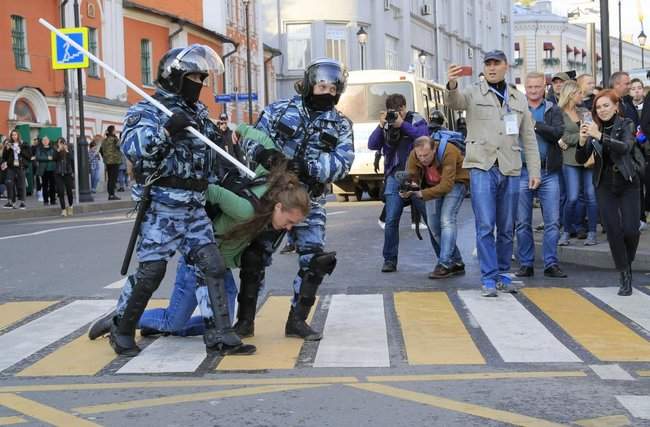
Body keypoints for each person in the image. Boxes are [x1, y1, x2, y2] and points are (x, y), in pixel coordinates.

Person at [89, 124, 309, 341]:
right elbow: (213, 191)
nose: (289, 228)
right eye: (290, 221)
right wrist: (189, 205)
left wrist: (244, 133)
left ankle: (162, 327)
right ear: (279, 206)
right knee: (173, 321)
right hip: (197, 261)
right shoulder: (246, 210)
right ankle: (122, 319)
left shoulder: (273, 184)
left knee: (222, 322)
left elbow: (260, 139)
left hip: (219, 267)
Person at [106, 44, 256, 357]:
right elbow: (134, 149)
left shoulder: (198, 113)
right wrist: (166, 131)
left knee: (210, 265)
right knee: (151, 271)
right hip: (163, 204)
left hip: (194, 203)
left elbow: (213, 154)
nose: (200, 84)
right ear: (175, 76)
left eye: (203, 78)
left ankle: (219, 334)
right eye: (195, 77)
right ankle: (121, 328)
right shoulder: (147, 109)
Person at [241, 57, 354, 340]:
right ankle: (244, 321)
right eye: (321, 86)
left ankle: (298, 320)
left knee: (314, 260)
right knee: (254, 255)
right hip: (272, 197)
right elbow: (249, 139)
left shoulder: (340, 124)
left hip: (310, 200)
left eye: (332, 88)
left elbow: (343, 162)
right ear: (308, 84)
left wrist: (309, 167)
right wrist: (264, 154)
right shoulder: (279, 110)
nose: (326, 92)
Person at [446, 50, 541, 297]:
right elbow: (454, 102)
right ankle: (488, 278)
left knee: (507, 226)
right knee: (486, 224)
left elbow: (528, 138)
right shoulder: (473, 92)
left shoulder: (518, 99)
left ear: (505, 67)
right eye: (488, 63)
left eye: (496, 63)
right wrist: (452, 84)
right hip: (482, 166)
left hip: (510, 167)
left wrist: (534, 171)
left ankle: (502, 273)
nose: (491, 67)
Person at [576, 89, 642, 296]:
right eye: (598, 106)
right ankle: (624, 273)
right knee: (613, 229)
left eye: (606, 105)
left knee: (631, 229)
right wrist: (582, 140)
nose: (602, 110)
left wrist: (599, 136)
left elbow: (624, 147)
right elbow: (580, 158)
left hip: (628, 181)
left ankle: (626, 262)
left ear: (616, 106)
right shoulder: (593, 127)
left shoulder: (626, 123)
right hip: (604, 184)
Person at [368, 93, 429, 273]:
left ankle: (446, 258)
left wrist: (403, 125)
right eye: (392, 112)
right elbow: (372, 144)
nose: (396, 115)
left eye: (399, 111)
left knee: (430, 218)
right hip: (395, 176)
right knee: (392, 219)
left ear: (404, 108)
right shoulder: (387, 122)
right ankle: (389, 260)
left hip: (417, 176)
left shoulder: (415, 119)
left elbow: (424, 137)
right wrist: (381, 126)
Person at [514, 72, 567, 278]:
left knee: (553, 221)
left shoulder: (553, 109)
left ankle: (551, 263)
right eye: (530, 87)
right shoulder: (516, 109)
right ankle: (526, 263)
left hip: (548, 171)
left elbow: (557, 133)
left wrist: (534, 124)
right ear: (525, 88)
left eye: (537, 87)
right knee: (522, 222)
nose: (533, 90)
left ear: (544, 88)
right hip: (522, 170)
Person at [405, 135, 468, 278]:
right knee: (433, 226)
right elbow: (411, 176)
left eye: (426, 155)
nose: (422, 159)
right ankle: (457, 262)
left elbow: (447, 185)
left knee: (447, 219)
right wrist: (408, 187)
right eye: (419, 155)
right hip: (432, 185)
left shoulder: (448, 151)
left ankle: (444, 263)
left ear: (434, 149)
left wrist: (422, 193)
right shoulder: (414, 155)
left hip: (456, 183)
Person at [558, 81, 599, 247]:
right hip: (570, 161)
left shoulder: (584, 112)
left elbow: (592, 132)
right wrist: (579, 138)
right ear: (570, 95)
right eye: (579, 93)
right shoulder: (559, 113)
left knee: (591, 196)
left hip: (587, 159)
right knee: (573, 197)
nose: (582, 96)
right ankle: (566, 232)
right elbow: (561, 135)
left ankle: (592, 233)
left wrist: (576, 138)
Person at [1, 129, 30, 209]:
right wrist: (6, 149)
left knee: (21, 184)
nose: (14, 136)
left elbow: (28, 156)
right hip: (11, 167)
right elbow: (4, 157)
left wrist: (20, 151)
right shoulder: (9, 144)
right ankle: (10, 202)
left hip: (20, 166)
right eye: (12, 135)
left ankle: (22, 202)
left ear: (18, 135)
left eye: (15, 135)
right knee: (9, 183)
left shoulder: (24, 144)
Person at [53, 137, 74, 217]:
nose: (61, 144)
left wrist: (67, 150)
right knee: (61, 192)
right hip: (58, 173)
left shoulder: (69, 149)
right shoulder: (55, 150)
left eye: (62, 142)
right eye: (59, 143)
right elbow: (54, 159)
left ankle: (71, 207)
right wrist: (58, 150)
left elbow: (71, 159)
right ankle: (63, 209)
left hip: (67, 173)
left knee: (69, 191)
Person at [101, 125, 121, 200]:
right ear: (112, 131)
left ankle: (110, 194)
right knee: (113, 179)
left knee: (110, 178)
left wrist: (105, 157)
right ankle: (112, 194)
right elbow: (120, 146)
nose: (115, 131)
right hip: (115, 161)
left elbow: (101, 150)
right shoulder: (115, 139)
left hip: (108, 162)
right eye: (115, 130)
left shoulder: (105, 140)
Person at [36, 136, 57, 206]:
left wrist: (52, 158)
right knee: (44, 186)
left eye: (46, 140)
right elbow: (38, 157)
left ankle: (53, 200)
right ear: (42, 142)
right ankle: (45, 201)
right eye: (44, 140)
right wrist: (47, 158)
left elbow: (55, 157)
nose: (45, 141)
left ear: (49, 141)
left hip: (52, 169)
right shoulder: (39, 149)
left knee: (52, 186)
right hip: (43, 170)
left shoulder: (53, 148)